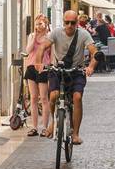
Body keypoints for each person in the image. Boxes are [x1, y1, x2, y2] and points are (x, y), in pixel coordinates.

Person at [41, 10, 97, 144]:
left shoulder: (83, 34)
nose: (70, 25)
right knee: (53, 96)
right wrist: (38, 63)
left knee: (77, 97)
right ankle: (53, 122)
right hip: (58, 69)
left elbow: (94, 52)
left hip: (76, 71)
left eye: (73, 22)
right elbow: (43, 47)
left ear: (77, 23)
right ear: (63, 22)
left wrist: (91, 67)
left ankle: (76, 133)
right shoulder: (55, 33)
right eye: (67, 22)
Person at [22, 15, 53, 136]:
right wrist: (34, 37)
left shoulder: (49, 37)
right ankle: (34, 127)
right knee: (33, 98)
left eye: (40, 24)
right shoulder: (31, 36)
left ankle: (45, 127)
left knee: (44, 99)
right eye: (36, 24)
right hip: (31, 67)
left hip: (43, 68)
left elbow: (51, 55)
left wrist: (51, 67)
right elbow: (28, 50)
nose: (38, 26)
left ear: (46, 24)